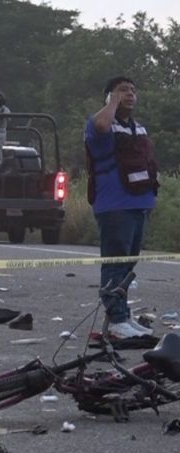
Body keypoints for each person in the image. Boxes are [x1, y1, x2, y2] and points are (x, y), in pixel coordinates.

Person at [85, 76, 159, 340]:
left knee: (127, 268)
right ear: (110, 97)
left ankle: (123, 317)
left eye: (132, 90)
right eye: (122, 91)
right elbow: (103, 123)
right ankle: (116, 322)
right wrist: (112, 103)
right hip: (114, 206)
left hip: (139, 204)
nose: (130, 94)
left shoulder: (137, 128)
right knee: (115, 264)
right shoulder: (100, 125)